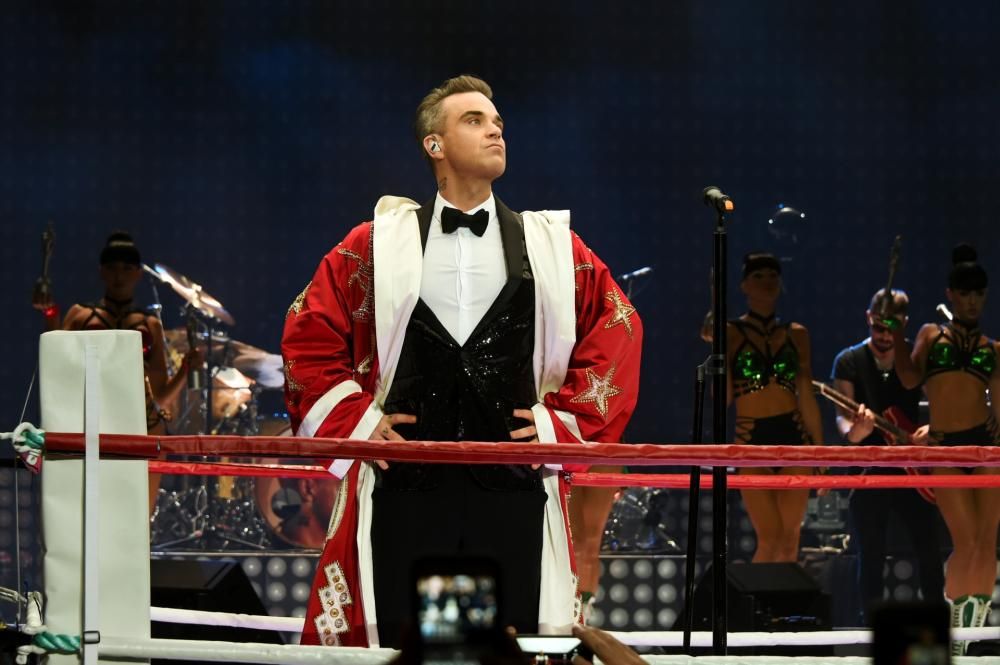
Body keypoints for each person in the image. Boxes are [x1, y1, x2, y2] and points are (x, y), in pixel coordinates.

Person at [281, 75, 642, 648]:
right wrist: (358, 420)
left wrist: (563, 419)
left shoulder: (551, 245)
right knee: (406, 646)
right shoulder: (374, 244)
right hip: (405, 485)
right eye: (474, 120)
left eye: (497, 121)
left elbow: (618, 326)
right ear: (435, 145)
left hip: (513, 487)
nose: (495, 129)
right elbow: (309, 330)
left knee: (510, 646)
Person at [892, 244, 1000, 654]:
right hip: (947, 449)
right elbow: (908, 379)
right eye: (965, 293)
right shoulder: (930, 334)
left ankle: (969, 641)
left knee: (986, 544)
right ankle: (953, 633)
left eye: (979, 294)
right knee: (966, 542)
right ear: (951, 294)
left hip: (985, 448)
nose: (972, 301)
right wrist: (897, 333)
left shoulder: (993, 349)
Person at [830, 288, 943, 624]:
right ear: (868, 318)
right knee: (871, 554)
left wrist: (932, 428)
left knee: (929, 550)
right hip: (871, 469)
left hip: (914, 471)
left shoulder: (913, 358)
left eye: (890, 327)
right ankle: (871, 628)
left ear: (904, 323)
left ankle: (936, 624)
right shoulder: (848, 361)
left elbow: (945, 405)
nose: (882, 335)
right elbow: (843, 423)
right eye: (877, 326)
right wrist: (858, 431)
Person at [726, 252, 823, 562]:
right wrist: (717, 352)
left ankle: (783, 596)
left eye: (772, 276)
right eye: (758, 276)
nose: (767, 282)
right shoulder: (730, 333)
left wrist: (820, 451)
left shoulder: (797, 333)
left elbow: (806, 394)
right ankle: (758, 596)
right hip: (751, 439)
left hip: (793, 437)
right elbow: (722, 398)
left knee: (790, 540)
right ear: (744, 285)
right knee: (770, 538)